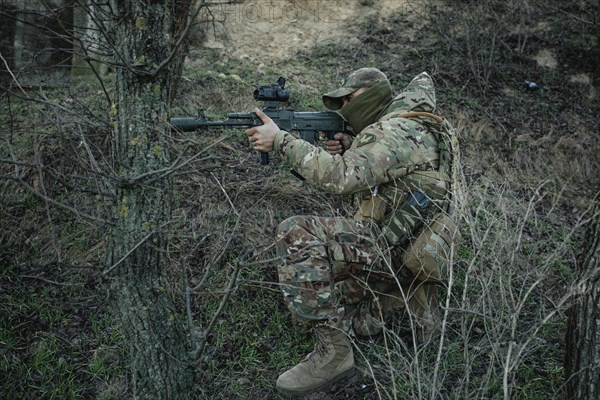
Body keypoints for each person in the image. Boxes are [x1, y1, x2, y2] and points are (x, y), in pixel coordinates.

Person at [245, 68, 460, 397]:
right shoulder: (414, 122)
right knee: (311, 306)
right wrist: (355, 144)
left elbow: (342, 177)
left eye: (350, 99)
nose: (344, 106)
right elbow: (386, 170)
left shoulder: (397, 129)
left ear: (374, 96)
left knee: (296, 232)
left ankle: (335, 357)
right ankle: (391, 309)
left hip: (392, 249)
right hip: (406, 244)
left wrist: (281, 142)